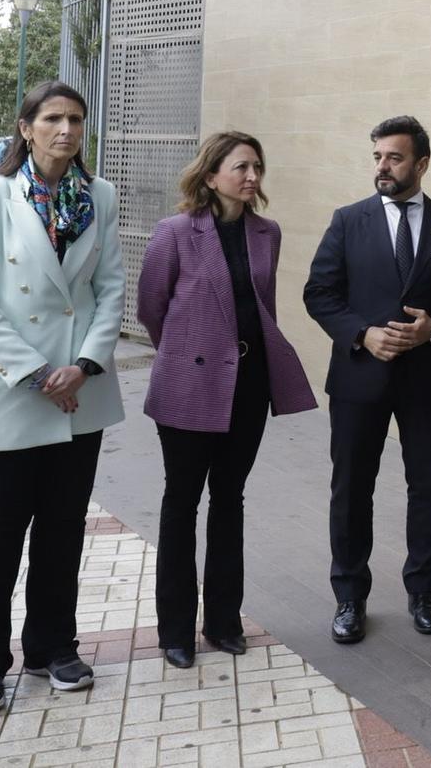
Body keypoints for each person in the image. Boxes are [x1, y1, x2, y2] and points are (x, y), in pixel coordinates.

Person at [0, 81, 125, 715]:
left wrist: (82, 366)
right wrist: (36, 373)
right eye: (52, 118)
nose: (66, 130)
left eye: (76, 119)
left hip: (81, 393)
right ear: (26, 127)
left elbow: (109, 290)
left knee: (63, 530)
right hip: (7, 389)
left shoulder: (98, 195)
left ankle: (53, 647)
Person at [303, 116, 431, 644]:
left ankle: (423, 591)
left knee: (428, 486)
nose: (383, 167)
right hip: (360, 378)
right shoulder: (347, 221)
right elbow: (320, 294)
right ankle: (349, 598)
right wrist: (361, 335)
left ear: (421, 163)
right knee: (352, 488)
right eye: (378, 157)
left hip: (428, 379)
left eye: (395, 158)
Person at [136, 131, 317, 668]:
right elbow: (152, 308)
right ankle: (174, 631)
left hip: (249, 383)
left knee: (230, 499)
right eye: (240, 167)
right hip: (190, 385)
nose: (252, 177)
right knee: (181, 502)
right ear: (211, 174)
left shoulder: (267, 232)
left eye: (257, 167)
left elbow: (264, 307)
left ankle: (223, 621)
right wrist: (189, 352)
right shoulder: (175, 232)